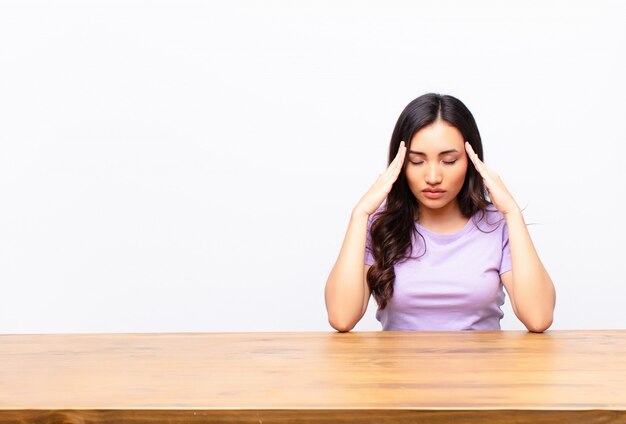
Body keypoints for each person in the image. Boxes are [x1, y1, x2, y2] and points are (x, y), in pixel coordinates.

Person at [324, 93, 556, 333]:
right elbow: (342, 318)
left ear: (471, 161)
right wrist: (360, 214)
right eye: (416, 161)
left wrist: (512, 212)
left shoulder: (497, 224)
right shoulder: (379, 225)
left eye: (449, 161)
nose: (433, 177)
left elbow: (538, 318)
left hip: (483, 370)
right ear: (400, 164)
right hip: (396, 370)